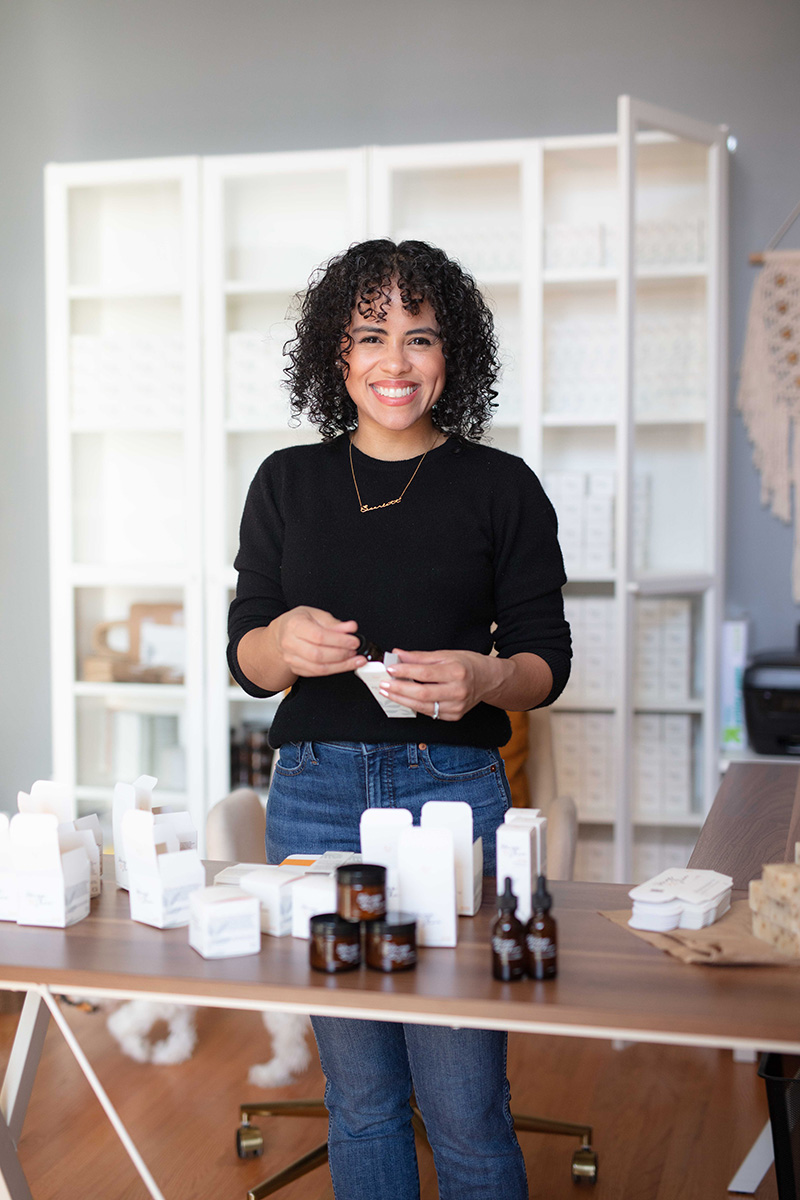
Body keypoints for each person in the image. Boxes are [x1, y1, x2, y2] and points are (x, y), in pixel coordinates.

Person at [227, 238, 571, 1200]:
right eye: (371, 336)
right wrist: (280, 644)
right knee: (363, 1100)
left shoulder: (501, 488)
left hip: (453, 798)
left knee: (465, 1107)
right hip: (316, 801)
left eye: (420, 338)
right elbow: (245, 656)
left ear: (451, 355)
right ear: (335, 355)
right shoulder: (285, 483)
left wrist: (485, 676)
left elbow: (548, 663)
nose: (395, 361)